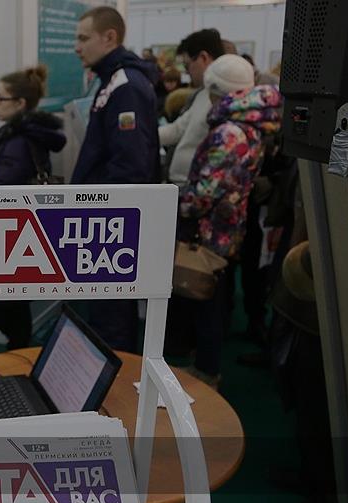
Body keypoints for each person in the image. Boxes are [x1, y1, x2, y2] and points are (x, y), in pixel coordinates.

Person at [175, 54, 282, 387]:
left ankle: (206, 371)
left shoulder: (229, 132)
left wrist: (179, 206)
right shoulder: (250, 125)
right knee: (215, 297)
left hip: (211, 230)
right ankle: (206, 362)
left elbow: (205, 192)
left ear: (216, 91)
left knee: (207, 300)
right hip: (230, 224)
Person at [71, 6, 159, 352]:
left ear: (109, 37)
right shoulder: (113, 81)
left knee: (112, 320)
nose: (77, 47)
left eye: (83, 38)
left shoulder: (125, 86)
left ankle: (119, 383)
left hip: (111, 224)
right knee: (105, 314)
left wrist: (101, 215)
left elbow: (130, 167)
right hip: (106, 220)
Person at [0, 65, 66, 349]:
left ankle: (20, 350)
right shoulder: (32, 136)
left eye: (0, 98)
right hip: (26, 230)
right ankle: (20, 348)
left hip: (11, 232)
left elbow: (0, 193)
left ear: (20, 103)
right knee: (14, 298)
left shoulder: (17, 142)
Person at [159, 29, 225, 187]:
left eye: (187, 65)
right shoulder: (202, 94)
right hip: (182, 185)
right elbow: (178, 129)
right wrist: (140, 135)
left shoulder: (224, 99)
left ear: (203, 58)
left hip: (198, 189)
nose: (187, 73)